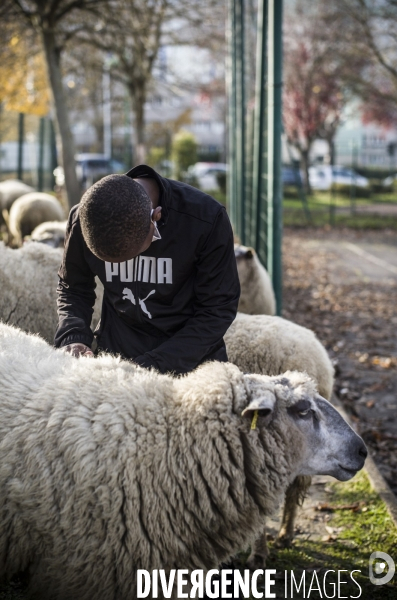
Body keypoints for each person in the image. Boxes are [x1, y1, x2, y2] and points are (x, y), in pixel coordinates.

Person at [54, 164, 240, 375]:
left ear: (156, 218)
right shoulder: (83, 219)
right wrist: (73, 337)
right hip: (115, 361)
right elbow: (73, 287)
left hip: (191, 366)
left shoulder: (206, 220)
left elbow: (217, 309)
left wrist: (153, 365)